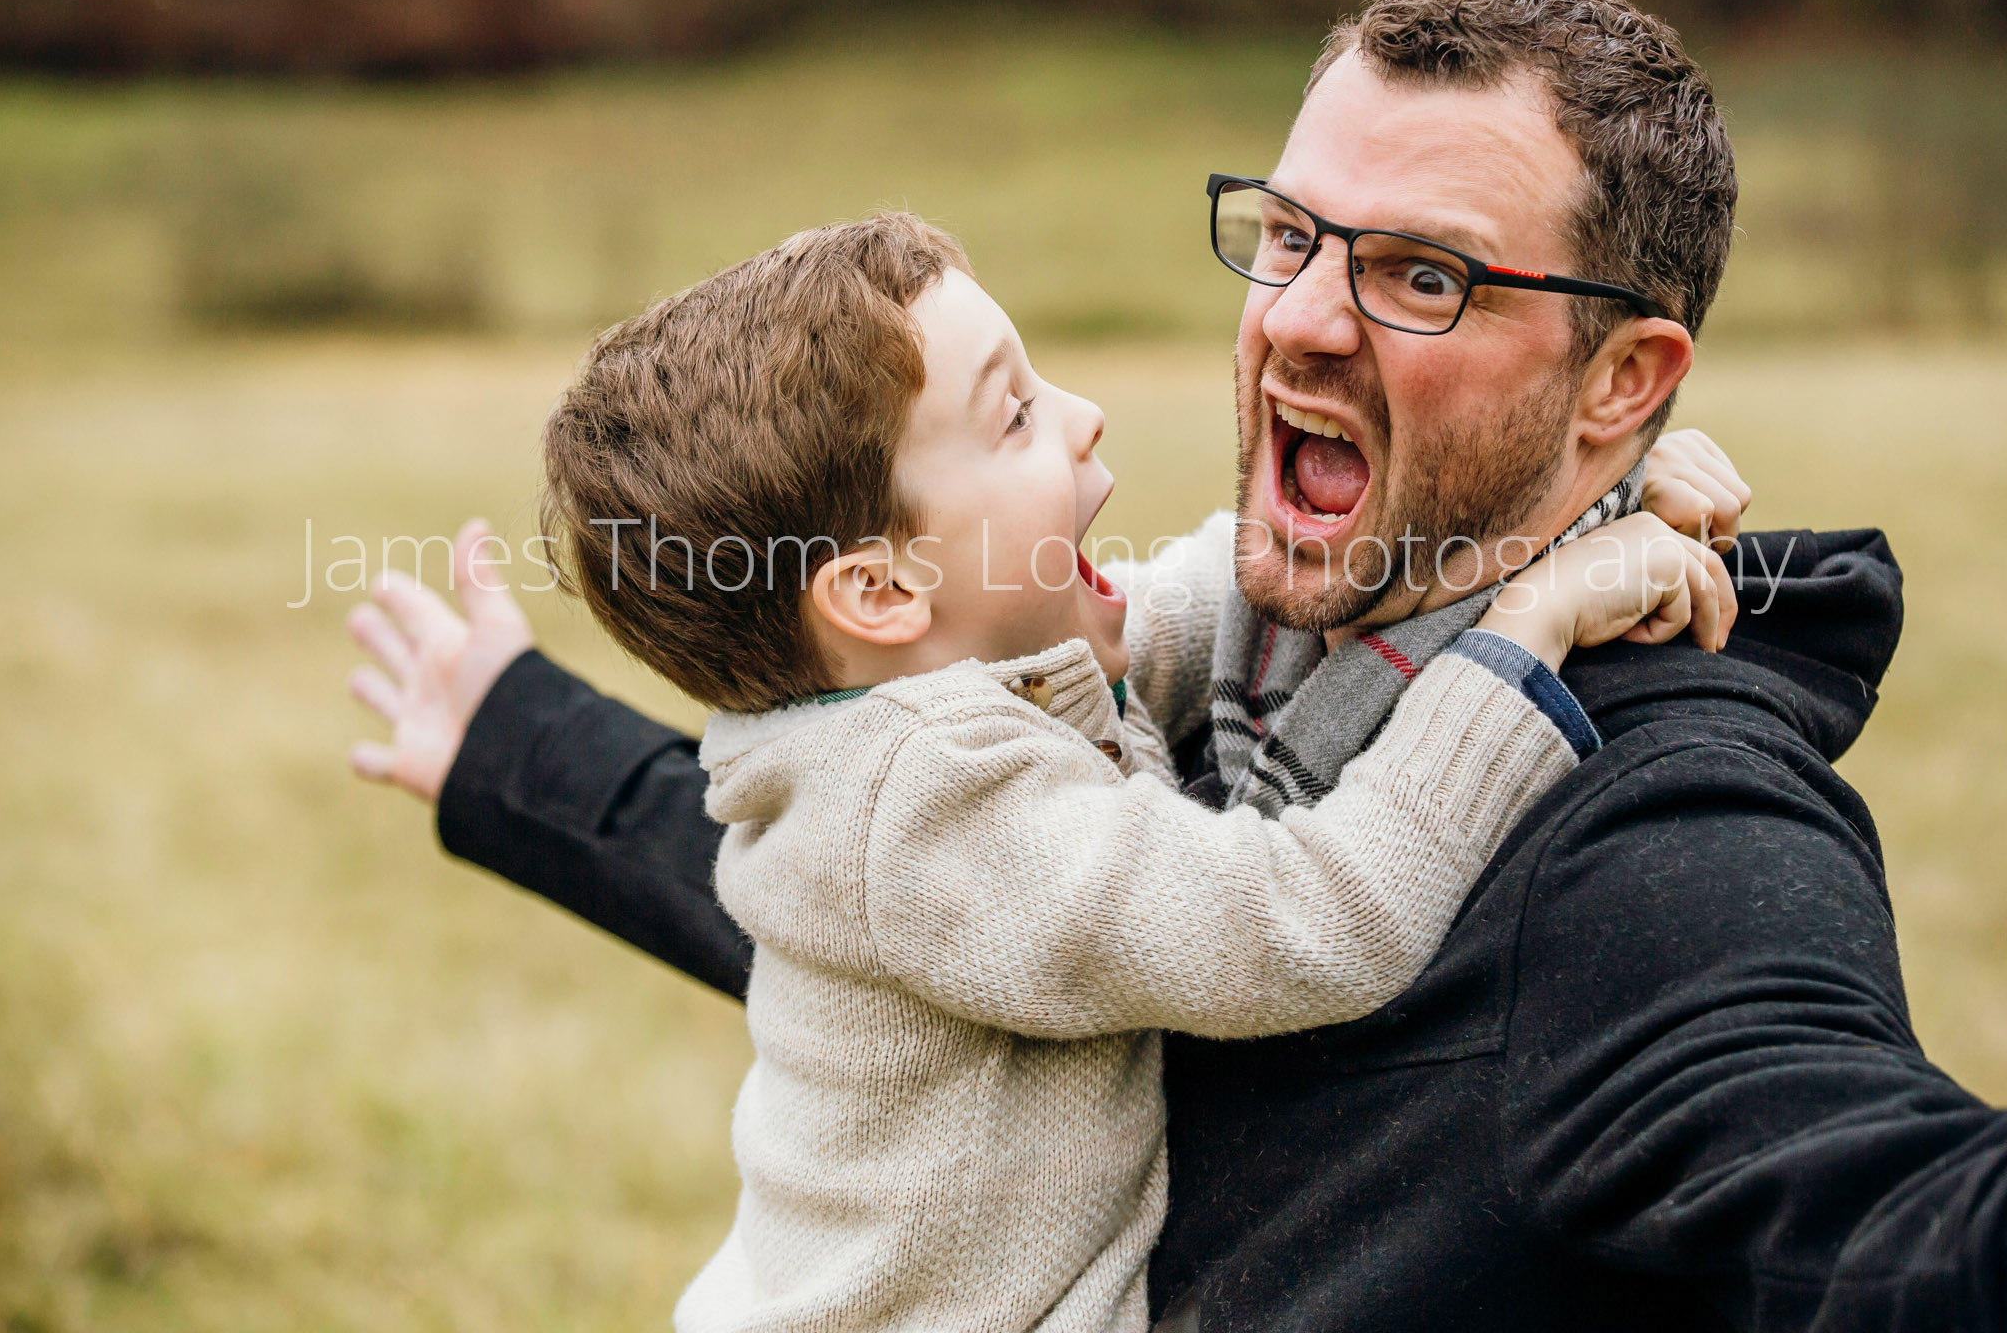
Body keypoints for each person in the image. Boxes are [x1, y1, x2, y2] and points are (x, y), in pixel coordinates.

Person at [345, 0, 2007, 1331]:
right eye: (1287, 235)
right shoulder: (1218, 660)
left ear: (1626, 385)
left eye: (1421, 274)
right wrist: (515, 744)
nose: (1301, 319)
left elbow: (1790, 1127)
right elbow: (886, 910)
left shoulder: (1657, 825)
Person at [523, 207, 1731, 1331]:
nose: (1082, 414)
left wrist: (1571, 491)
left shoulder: (961, 683)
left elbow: (1219, 599)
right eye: (1013, 417)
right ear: (883, 591)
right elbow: (1315, 918)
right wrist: (1538, 619)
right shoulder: (924, 805)